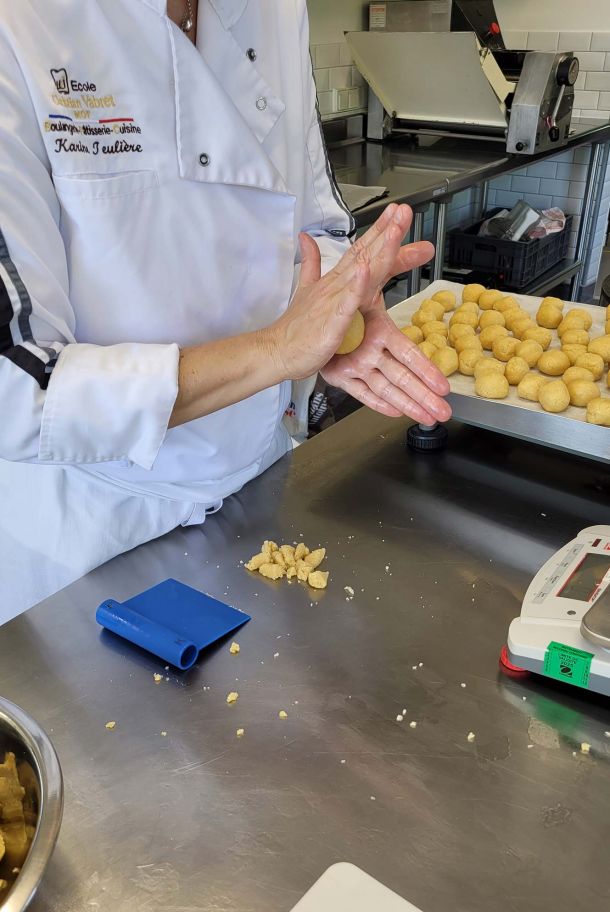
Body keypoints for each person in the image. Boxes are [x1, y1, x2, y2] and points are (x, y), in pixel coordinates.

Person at [0, 0, 451, 621]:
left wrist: (339, 309)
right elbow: (20, 391)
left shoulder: (273, 10)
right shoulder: (19, 27)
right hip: (95, 531)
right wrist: (279, 349)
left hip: (257, 484)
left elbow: (313, 220)